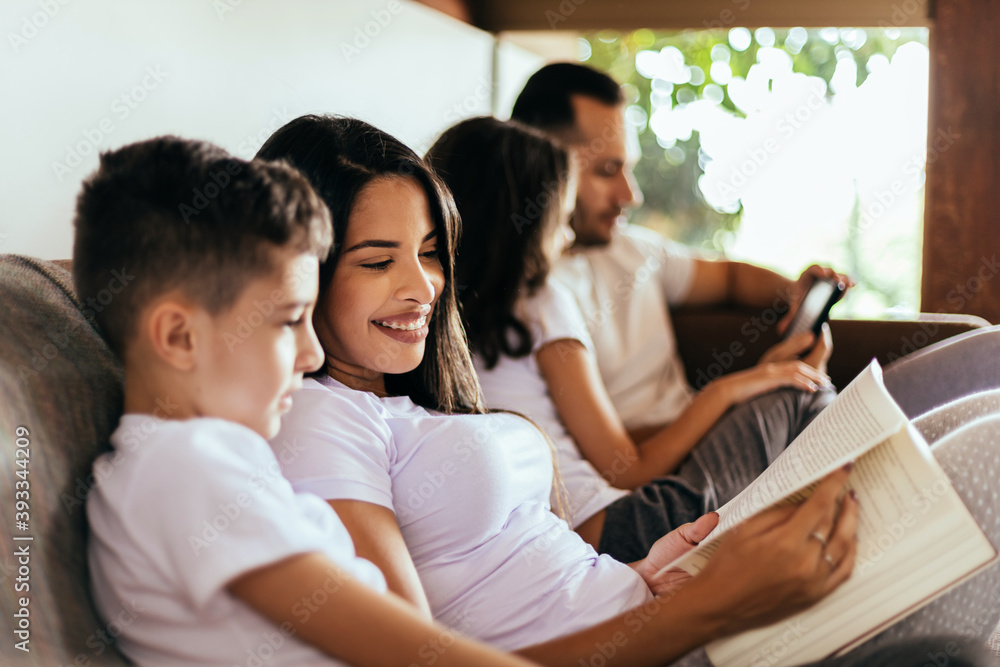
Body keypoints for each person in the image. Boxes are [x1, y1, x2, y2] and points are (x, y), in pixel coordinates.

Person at [259, 114, 1000, 665]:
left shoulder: (406, 405)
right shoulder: (321, 418)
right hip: (683, 640)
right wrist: (713, 603)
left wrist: (643, 573)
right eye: (376, 260)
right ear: (302, 270)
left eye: (428, 252)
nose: (422, 284)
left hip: (667, 608)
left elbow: (525, 572)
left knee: (961, 432)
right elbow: (421, 658)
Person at [79, 136, 539, 666]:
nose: (312, 351)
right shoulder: (181, 466)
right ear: (180, 338)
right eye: (289, 320)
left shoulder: (202, 461)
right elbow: (410, 654)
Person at [428, 115, 837, 561]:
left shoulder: (437, 317)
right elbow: (627, 470)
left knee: (784, 391)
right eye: (561, 220)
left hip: (584, 529)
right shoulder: (542, 302)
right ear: (523, 227)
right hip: (627, 528)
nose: (566, 237)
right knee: (800, 392)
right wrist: (729, 390)